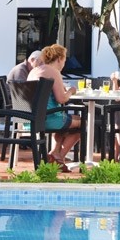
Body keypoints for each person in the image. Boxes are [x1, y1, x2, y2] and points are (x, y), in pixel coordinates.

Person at [27, 44, 82, 172]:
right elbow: (62, 99)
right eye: (64, 60)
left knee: (70, 119)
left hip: (30, 119)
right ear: (59, 59)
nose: (64, 63)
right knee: (83, 122)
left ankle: (55, 154)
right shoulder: (53, 71)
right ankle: (59, 158)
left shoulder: (34, 71)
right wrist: (71, 91)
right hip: (48, 118)